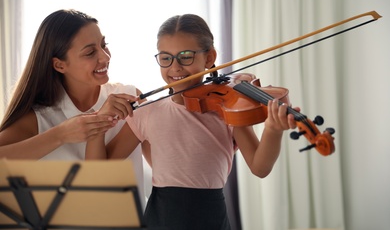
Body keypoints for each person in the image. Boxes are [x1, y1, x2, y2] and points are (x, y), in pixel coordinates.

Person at [89, 14, 299, 230]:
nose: (175, 67)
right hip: (161, 220)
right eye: (165, 58)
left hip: (211, 218)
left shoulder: (228, 109)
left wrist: (273, 130)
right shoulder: (146, 111)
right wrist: (99, 121)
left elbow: (259, 167)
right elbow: (98, 172)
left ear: (209, 58)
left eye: (186, 56)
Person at [0, 9, 147, 207]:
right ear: (59, 65)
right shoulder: (38, 118)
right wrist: (60, 135)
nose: (105, 57)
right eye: (90, 52)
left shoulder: (129, 97)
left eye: (104, 45)